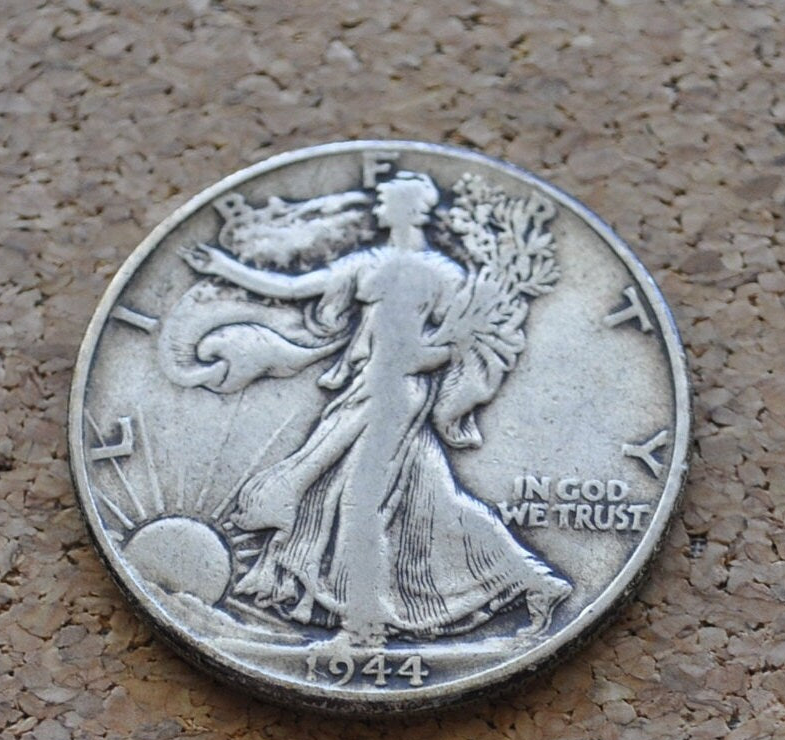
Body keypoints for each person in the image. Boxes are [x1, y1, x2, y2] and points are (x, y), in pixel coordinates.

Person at [178, 171, 572, 643]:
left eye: (387, 201)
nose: (379, 208)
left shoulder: (444, 274)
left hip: (397, 396)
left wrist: (416, 359)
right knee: (431, 500)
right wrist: (225, 268)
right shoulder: (369, 262)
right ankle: (536, 581)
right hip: (368, 387)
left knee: (360, 502)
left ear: (410, 209)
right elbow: (296, 287)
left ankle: (365, 624)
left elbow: (457, 343)